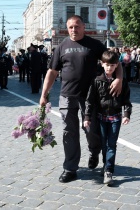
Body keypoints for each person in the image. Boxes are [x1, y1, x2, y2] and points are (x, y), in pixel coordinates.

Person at [39, 15, 122, 183]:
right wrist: (44, 94)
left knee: (92, 130)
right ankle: (70, 168)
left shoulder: (94, 45)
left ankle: (94, 150)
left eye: (77, 26)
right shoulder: (61, 46)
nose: (73, 30)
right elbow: (52, 72)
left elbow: (115, 62)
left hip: (91, 97)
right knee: (69, 132)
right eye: (70, 27)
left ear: (84, 26)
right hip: (67, 96)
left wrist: (119, 79)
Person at [83, 50, 131, 185]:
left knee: (112, 144)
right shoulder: (97, 81)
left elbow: (126, 100)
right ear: (102, 64)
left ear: (116, 65)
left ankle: (109, 170)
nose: (109, 68)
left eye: (112, 65)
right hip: (101, 117)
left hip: (115, 117)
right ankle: (105, 165)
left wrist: (126, 114)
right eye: (107, 65)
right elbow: (90, 100)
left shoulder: (122, 82)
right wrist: (87, 117)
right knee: (104, 145)